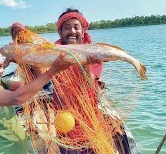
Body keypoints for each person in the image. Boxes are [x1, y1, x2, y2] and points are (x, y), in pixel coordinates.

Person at [54, 8, 137, 154]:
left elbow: (87, 85)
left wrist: (86, 64)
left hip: (89, 125)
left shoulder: (93, 54)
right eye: (67, 27)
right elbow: (38, 75)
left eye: (76, 27)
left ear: (83, 31)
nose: (72, 31)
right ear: (60, 32)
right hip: (64, 125)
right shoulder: (53, 54)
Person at [0, 45, 71, 154]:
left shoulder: (0, 83)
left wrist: (22, 62)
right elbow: (17, 97)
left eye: (0, 66)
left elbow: (31, 84)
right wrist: (52, 71)